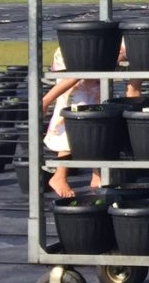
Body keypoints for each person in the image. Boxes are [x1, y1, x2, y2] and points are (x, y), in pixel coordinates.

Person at [42, 45, 140, 197]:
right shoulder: (126, 46)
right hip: (76, 57)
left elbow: (134, 88)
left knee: (97, 120)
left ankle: (97, 175)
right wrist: (46, 100)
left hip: (94, 67)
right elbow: (77, 73)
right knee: (76, 117)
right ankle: (59, 176)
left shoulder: (141, 53)